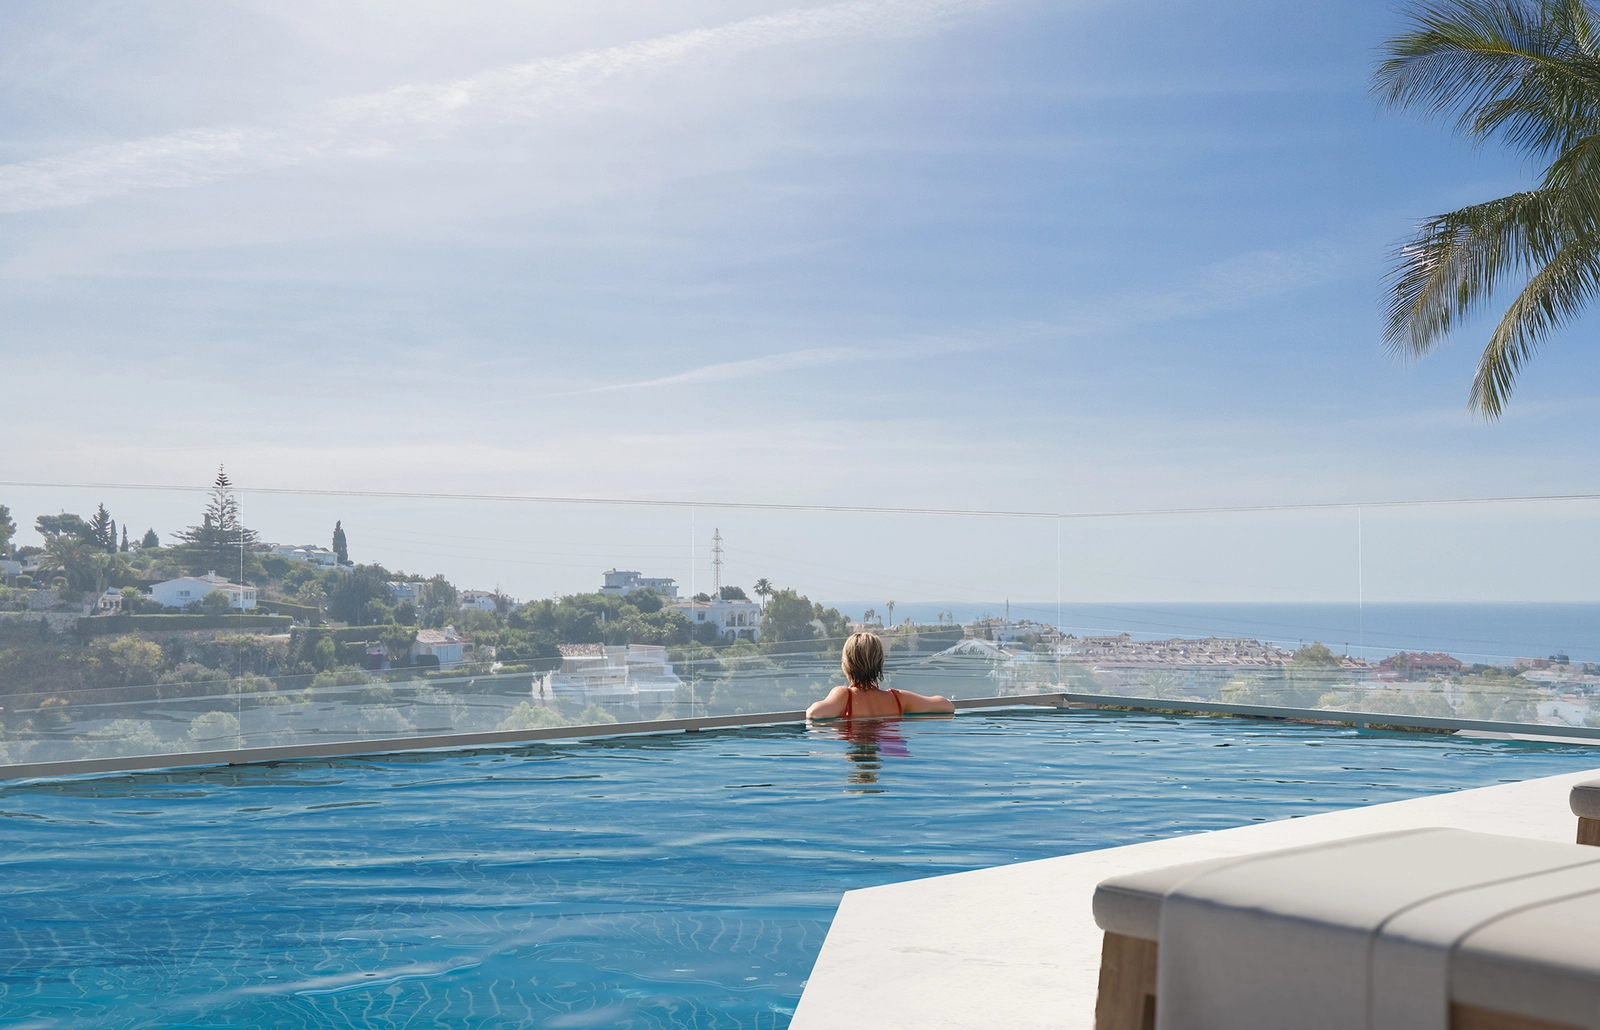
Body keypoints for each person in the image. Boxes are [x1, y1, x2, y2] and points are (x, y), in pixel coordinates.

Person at [805, 631, 955, 720]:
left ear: (846, 665)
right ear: (880, 664)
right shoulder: (898, 699)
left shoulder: (844, 695)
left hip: (860, 752)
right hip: (893, 751)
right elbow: (947, 706)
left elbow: (814, 713)